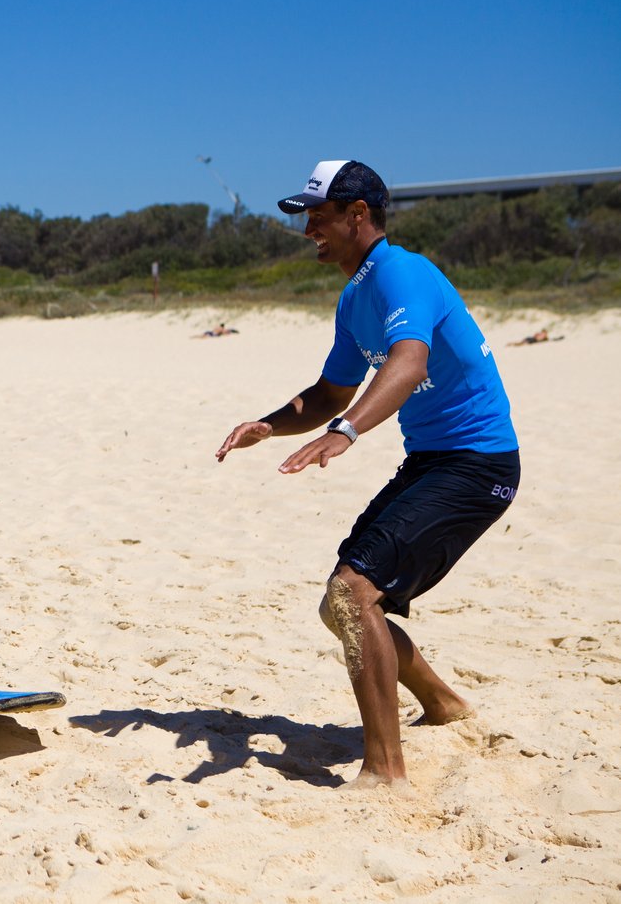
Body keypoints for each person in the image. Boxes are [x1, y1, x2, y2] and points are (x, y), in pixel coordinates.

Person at [215, 161, 520, 788]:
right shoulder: (356, 296)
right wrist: (270, 425)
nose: (308, 232)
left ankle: (385, 773)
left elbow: (408, 364)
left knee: (354, 593)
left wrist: (347, 432)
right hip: (434, 461)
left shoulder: (402, 272)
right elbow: (330, 391)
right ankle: (442, 703)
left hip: (478, 461)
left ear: (358, 215)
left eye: (317, 217)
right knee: (344, 602)